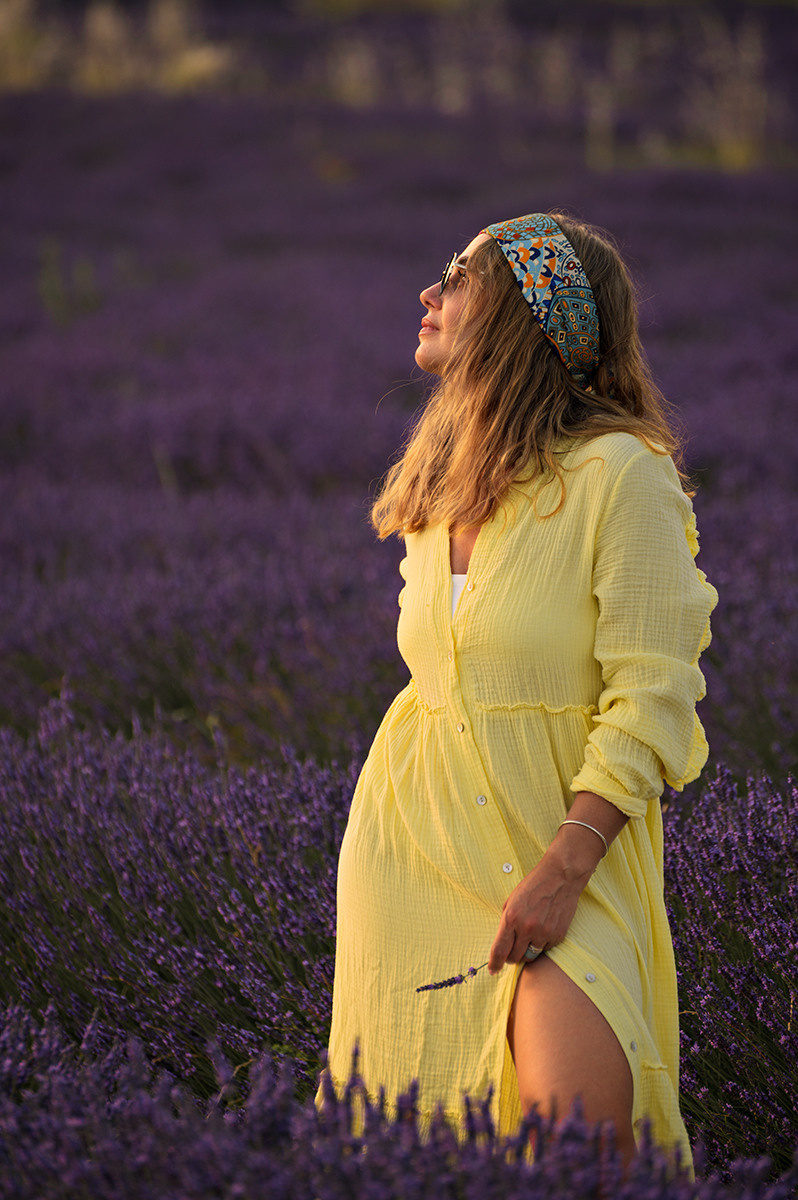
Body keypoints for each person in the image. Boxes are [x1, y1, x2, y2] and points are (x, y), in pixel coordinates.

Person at [321, 212, 717, 1166]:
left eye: (456, 274)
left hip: (560, 865)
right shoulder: (443, 489)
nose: (429, 292)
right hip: (412, 859)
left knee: (581, 1160)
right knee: (421, 1161)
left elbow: (653, 694)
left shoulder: (622, 474)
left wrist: (566, 866)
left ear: (524, 312)